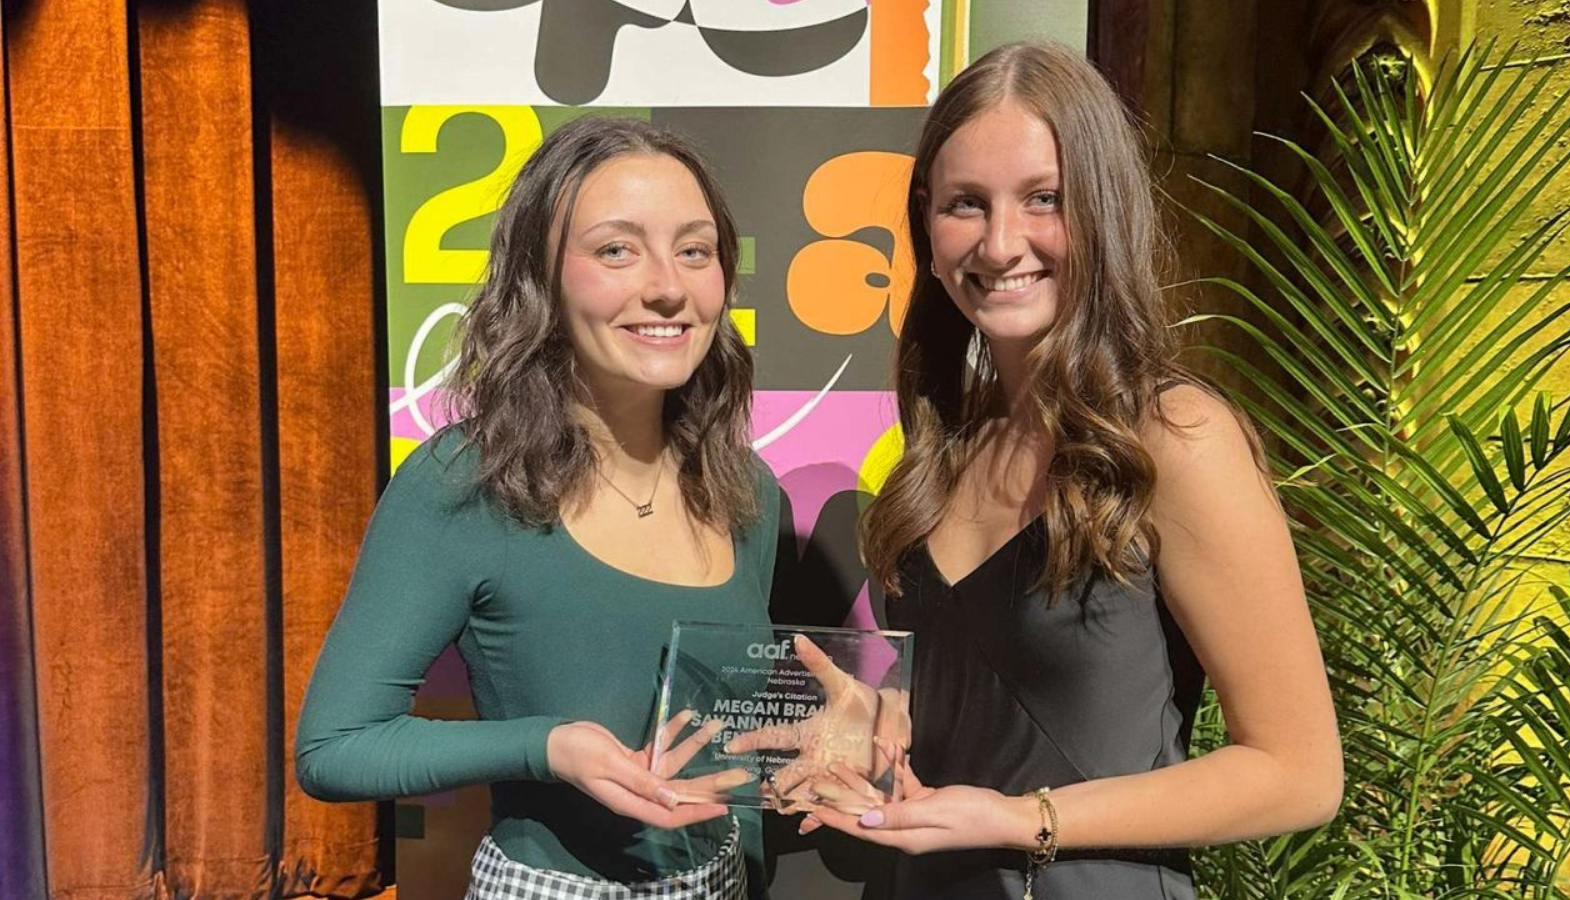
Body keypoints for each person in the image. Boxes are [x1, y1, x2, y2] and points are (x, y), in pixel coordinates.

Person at [797, 42, 1344, 899]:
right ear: (927, 233)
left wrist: (1027, 820)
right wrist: (875, 725)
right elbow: (983, 715)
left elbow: (1300, 772)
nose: (1001, 241)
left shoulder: (1174, 436)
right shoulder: (943, 446)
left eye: (1044, 199)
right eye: (965, 205)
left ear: (1103, 211)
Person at [295, 115, 779, 900]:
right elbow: (335, 748)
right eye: (616, 249)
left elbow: (728, 755)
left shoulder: (747, 491)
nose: (667, 284)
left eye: (695, 250)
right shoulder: (464, 480)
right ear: (539, 278)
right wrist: (548, 747)